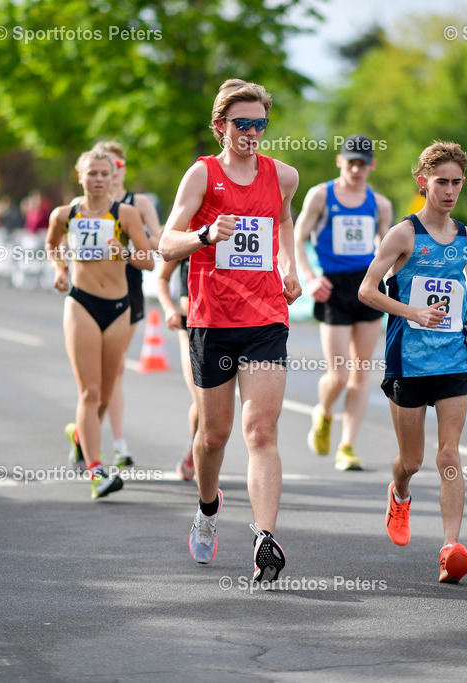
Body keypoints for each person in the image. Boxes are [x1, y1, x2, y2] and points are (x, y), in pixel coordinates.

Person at [159, 78, 301, 583]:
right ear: (220, 126)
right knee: (214, 435)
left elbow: (284, 222)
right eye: (242, 124)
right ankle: (207, 508)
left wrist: (290, 265)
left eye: (260, 124)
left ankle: (264, 537)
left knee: (260, 430)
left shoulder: (283, 176)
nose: (252, 132)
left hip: (265, 316)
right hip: (211, 318)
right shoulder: (202, 176)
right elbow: (164, 242)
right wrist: (203, 233)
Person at [358, 140, 467, 584]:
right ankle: (400, 492)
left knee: (448, 453)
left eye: (456, 183)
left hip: (452, 358)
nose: (449, 191)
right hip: (407, 362)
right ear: (422, 183)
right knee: (410, 461)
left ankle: (450, 547)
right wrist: (412, 312)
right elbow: (367, 290)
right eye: (441, 182)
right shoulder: (404, 235)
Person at [46, 147, 154, 499]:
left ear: (113, 177)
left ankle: (80, 434)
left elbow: (148, 260)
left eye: (103, 173)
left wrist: (124, 252)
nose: (97, 179)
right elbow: (52, 246)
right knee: (90, 391)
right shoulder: (65, 214)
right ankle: (96, 471)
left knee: (106, 393)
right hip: (82, 303)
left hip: (119, 307)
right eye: (91, 173)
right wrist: (60, 271)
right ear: (80, 176)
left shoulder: (125, 213)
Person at [294, 134, 393, 471]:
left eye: (362, 163)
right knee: (337, 376)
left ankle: (347, 446)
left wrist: (390, 281)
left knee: (361, 372)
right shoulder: (321, 195)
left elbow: (386, 248)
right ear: (339, 160)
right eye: (350, 161)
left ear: (371, 166)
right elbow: (297, 236)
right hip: (332, 288)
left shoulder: (379, 204)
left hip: (367, 287)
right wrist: (309, 277)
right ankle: (323, 412)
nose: (356, 168)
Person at [94, 140, 164, 469]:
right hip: (92, 288)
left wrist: (135, 239)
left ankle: (118, 443)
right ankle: (86, 431)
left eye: (117, 166)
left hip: (128, 288)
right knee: (98, 375)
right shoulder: (86, 204)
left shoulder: (138, 202)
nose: (111, 173)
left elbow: (159, 240)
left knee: (117, 367)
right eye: (103, 167)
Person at [155, 256, 198, 480]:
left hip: (230, 324)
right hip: (189, 325)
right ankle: (195, 448)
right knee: (202, 401)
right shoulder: (189, 229)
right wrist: (169, 309)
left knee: (222, 409)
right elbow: (161, 278)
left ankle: (199, 449)